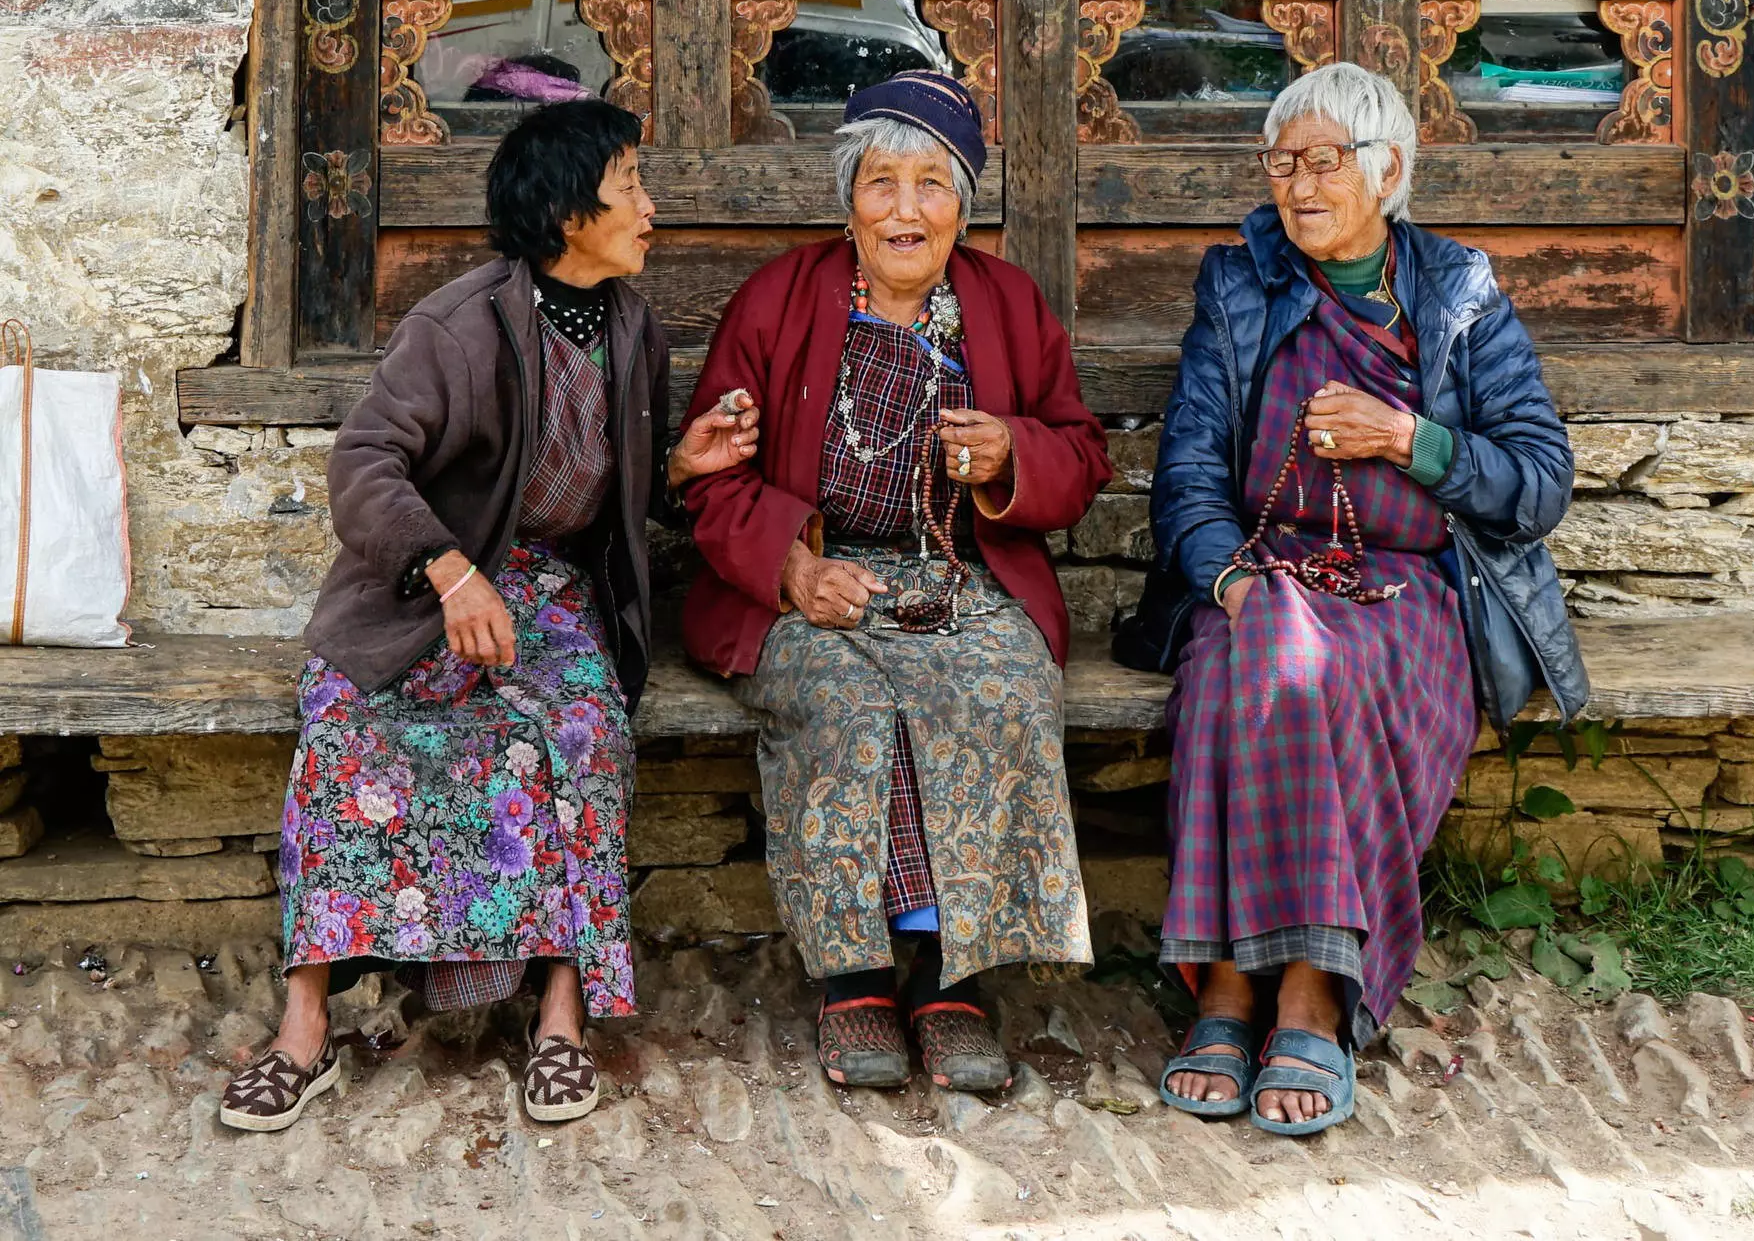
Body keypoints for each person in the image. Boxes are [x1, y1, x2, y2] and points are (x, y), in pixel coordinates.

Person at [221, 99, 762, 1133]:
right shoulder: (458, 325)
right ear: (568, 213)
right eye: (631, 186)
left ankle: (560, 1017)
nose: (652, 206)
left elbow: (609, 490)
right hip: (424, 591)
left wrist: (682, 464)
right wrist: (452, 572)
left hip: (553, 594)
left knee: (581, 732)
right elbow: (363, 462)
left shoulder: (632, 326)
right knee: (347, 729)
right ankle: (302, 1030)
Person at [1132, 63, 1588, 1136]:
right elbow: (1189, 473)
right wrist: (1235, 580)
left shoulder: (1460, 294)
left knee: (1313, 680)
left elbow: (1539, 480)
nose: (1295, 184)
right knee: (1250, 667)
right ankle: (1271, 982)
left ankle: (1282, 988)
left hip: (1408, 593)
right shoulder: (1239, 285)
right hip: (1260, 576)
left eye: (1322, 160)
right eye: (1280, 162)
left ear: (1386, 171)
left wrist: (1407, 439)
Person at [681, 71, 1112, 1094]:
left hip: (958, 573)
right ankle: (856, 976)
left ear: (964, 203)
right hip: (805, 582)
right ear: (849, 197)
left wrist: (1011, 453)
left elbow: (1081, 456)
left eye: (932, 184)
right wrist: (790, 568)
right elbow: (707, 479)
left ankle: (949, 977)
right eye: (882, 182)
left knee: (1002, 685)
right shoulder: (778, 299)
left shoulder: (1006, 305)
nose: (905, 210)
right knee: (845, 701)